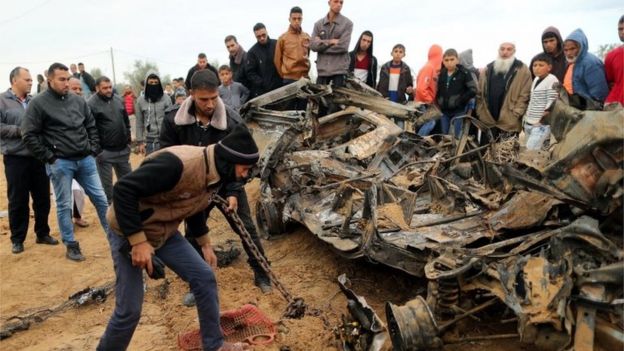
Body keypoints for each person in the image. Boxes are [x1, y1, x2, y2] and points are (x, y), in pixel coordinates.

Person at [96, 125, 258, 351]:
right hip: (128, 230)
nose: (245, 174)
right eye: (244, 168)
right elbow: (123, 190)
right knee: (129, 310)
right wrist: (138, 241)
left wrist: (205, 244)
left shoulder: (215, 173)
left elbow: (193, 204)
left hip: (163, 230)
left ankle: (214, 345)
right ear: (229, 161)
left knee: (204, 277)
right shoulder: (178, 164)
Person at [160, 69, 273, 300]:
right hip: (193, 189)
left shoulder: (232, 122)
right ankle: (196, 283)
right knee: (192, 233)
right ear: (191, 94)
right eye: (204, 99)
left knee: (247, 230)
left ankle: (262, 274)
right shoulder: (174, 120)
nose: (210, 104)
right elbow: (166, 157)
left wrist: (233, 191)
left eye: (214, 98)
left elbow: (241, 161)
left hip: (225, 184)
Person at [21, 62, 110, 261]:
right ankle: (71, 245)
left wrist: (93, 149)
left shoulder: (78, 101)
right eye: (61, 79)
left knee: (102, 200)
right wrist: (50, 157)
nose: (66, 83)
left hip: (85, 159)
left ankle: (115, 240)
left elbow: (91, 125)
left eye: (67, 79)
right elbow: (28, 135)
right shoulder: (38, 103)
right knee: (64, 205)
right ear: (50, 80)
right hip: (61, 163)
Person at [1, 66, 57, 254]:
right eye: (27, 80)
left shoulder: (35, 101)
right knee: (18, 199)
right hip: (15, 158)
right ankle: (18, 238)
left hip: (38, 157)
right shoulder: (2, 101)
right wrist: (20, 131)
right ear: (14, 80)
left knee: (42, 197)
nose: (31, 82)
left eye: (31, 79)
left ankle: (42, 232)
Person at [88, 76, 132, 204]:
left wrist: (128, 141)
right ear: (97, 88)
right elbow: (90, 128)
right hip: (105, 153)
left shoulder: (119, 100)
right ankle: (111, 216)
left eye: (110, 87)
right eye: (105, 88)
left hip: (123, 150)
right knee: (107, 189)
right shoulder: (91, 104)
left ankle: (127, 207)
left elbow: (126, 122)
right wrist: (98, 150)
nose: (108, 90)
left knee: (128, 183)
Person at [476, 42, 532, 139]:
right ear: (498, 51)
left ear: (514, 51)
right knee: (486, 152)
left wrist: (517, 112)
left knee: (506, 152)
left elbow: (525, 94)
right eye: (502, 49)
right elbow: (480, 93)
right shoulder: (488, 68)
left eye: (509, 49)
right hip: (488, 120)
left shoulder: (522, 69)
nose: (505, 52)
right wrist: (480, 112)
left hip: (509, 120)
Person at [419, 49, 477, 136]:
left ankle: (456, 149)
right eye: (446, 60)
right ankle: (445, 150)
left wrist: (461, 100)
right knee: (444, 135)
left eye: (452, 59)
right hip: (444, 111)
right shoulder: (441, 74)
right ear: (443, 61)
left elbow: (473, 89)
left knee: (455, 136)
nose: (449, 62)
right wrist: (438, 101)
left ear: (457, 60)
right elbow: (437, 90)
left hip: (458, 111)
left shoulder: (464, 73)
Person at [562, 29, 609, 110]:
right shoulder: (573, 63)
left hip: (590, 112)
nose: (569, 53)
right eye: (566, 50)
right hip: (577, 109)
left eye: (572, 49)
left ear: (581, 46)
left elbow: (599, 94)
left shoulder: (590, 63)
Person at [310, 0, 353, 87]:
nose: (339, 5)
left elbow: (343, 46)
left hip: (339, 72)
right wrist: (330, 42)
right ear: (329, 2)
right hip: (322, 72)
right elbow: (312, 46)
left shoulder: (347, 24)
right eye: (336, 1)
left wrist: (321, 44)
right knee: (319, 100)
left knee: (337, 100)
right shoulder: (318, 24)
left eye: (341, 2)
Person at [522, 53, 559, 150]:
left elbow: (552, 102)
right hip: (530, 122)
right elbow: (533, 99)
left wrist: (541, 121)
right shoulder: (536, 80)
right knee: (538, 153)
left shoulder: (552, 79)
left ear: (549, 67)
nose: (537, 68)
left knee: (531, 152)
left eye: (541, 65)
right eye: (535, 65)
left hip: (540, 124)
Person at [67, 77, 90, 228]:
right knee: (68, 193)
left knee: (79, 191)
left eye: (80, 89)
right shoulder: (56, 107)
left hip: (82, 155)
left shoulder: (84, 106)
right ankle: (67, 222)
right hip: (62, 158)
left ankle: (78, 216)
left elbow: (91, 127)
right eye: (74, 89)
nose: (78, 92)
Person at [135, 71, 172, 155]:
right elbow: (139, 122)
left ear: (159, 83)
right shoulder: (140, 101)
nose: (153, 84)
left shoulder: (167, 99)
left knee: (167, 166)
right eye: (151, 82)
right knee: (151, 166)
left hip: (165, 140)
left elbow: (171, 120)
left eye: (156, 82)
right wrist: (140, 142)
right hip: (149, 141)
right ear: (146, 84)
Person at [245, 23, 283, 98]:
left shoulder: (277, 44)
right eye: (258, 37)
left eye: (263, 35)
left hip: (281, 86)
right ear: (255, 36)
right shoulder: (252, 52)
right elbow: (250, 72)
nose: (262, 38)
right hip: (265, 91)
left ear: (267, 32)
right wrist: (262, 83)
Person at [274, 6, 311, 83]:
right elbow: (277, 60)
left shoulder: (307, 37)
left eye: (299, 19)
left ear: (302, 19)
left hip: (305, 77)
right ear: (289, 19)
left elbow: (308, 55)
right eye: (294, 19)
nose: (297, 21)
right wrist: (284, 75)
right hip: (289, 79)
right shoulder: (283, 38)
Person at [604, 15, 624, 107]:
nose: (623, 32)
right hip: (615, 109)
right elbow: (610, 82)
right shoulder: (611, 56)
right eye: (620, 29)